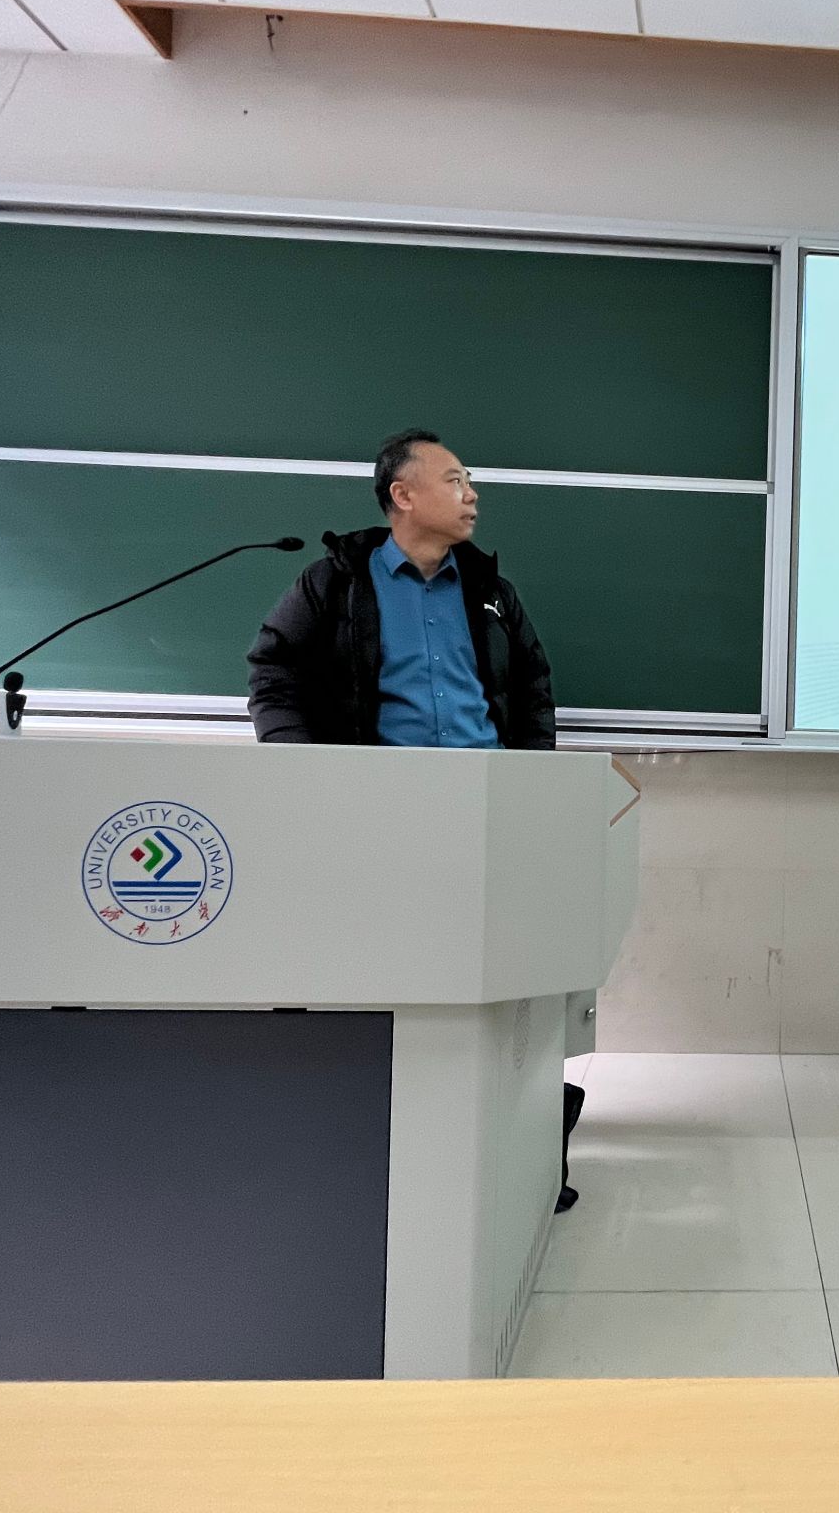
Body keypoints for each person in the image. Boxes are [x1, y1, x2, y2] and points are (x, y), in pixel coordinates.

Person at [247, 428, 586, 1210]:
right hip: (378, 812)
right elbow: (273, 669)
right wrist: (305, 768)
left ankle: (520, 1154)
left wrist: (531, 784)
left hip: (486, 810)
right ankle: (378, 1149)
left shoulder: (490, 590)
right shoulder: (335, 583)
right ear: (403, 495)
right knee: (387, 977)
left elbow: (533, 686)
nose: (472, 495)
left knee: (501, 982)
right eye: (455, 480)